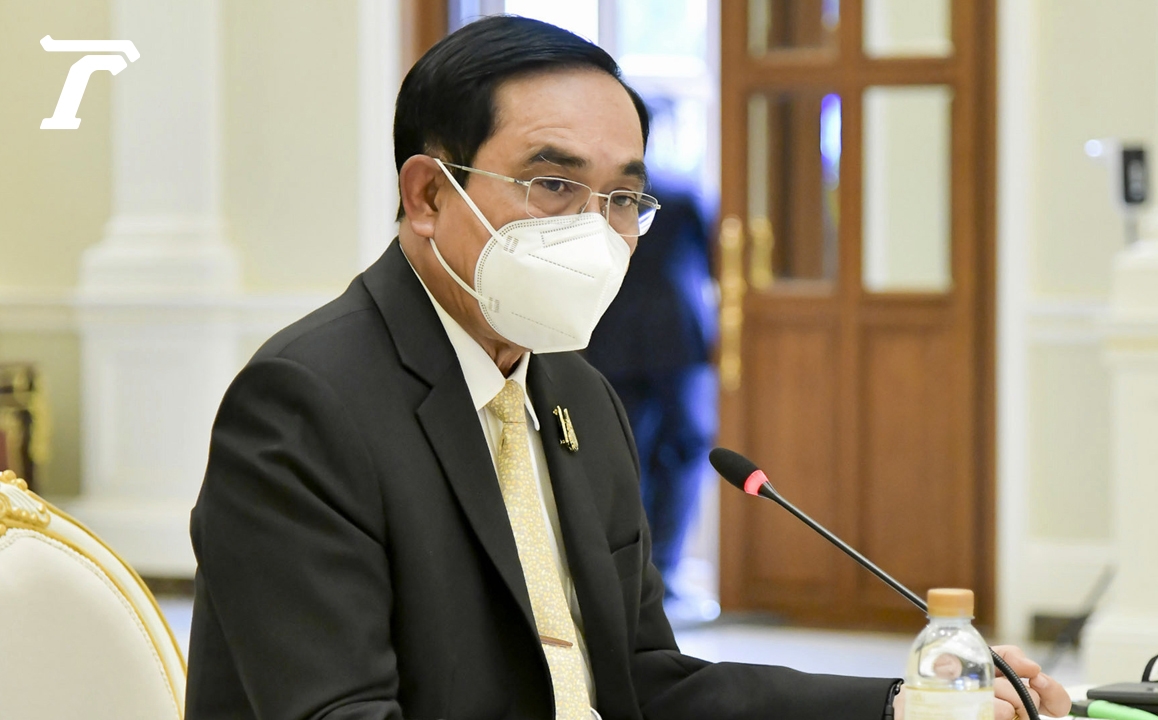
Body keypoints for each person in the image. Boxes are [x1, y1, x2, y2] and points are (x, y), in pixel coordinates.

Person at [185, 15, 1071, 720]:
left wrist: (907, 704)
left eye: (622, 198)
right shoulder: (305, 403)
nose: (597, 231)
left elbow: (641, 679)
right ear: (427, 195)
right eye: (553, 185)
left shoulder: (575, 392)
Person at [583, 177, 718, 612]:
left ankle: (632, 570)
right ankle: (665, 567)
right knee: (682, 449)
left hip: (615, 333)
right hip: (675, 335)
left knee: (626, 454)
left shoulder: (600, 196)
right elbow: (714, 262)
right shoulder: (683, 196)